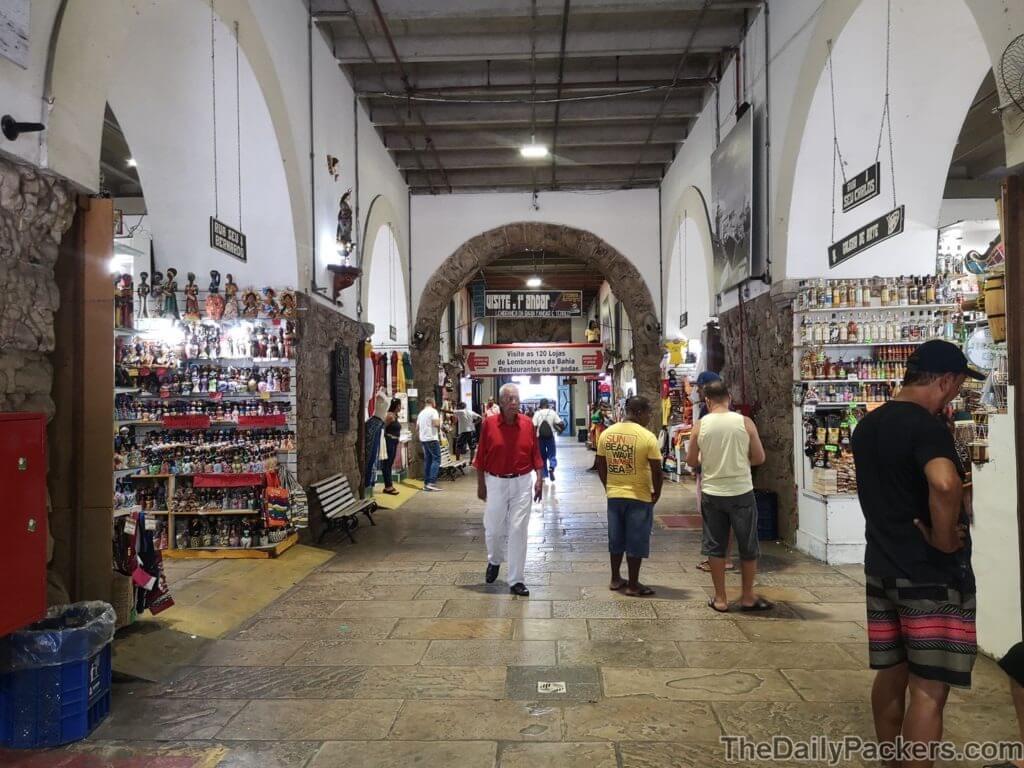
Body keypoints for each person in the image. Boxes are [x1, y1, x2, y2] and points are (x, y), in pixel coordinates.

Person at [850, 339, 982, 767]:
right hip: (928, 574)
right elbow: (943, 483)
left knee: (892, 673)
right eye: (958, 386)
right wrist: (944, 537)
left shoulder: (867, 425)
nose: (955, 395)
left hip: (882, 567)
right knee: (929, 688)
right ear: (945, 380)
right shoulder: (925, 427)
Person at [685, 380, 770, 614]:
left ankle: (721, 599)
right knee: (748, 545)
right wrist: (740, 463)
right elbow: (759, 457)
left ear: (707, 401)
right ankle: (747, 596)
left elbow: (692, 462)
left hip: (712, 493)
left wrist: (707, 461)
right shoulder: (745, 422)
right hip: (741, 491)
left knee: (715, 546)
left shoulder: (700, 426)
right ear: (729, 398)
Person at [474, 383, 543, 597]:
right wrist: (481, 484)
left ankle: (516, 580)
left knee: (518, 529)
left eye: (516, 398)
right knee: (493, 528)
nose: (514, 403)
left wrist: (539, 479)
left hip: (522, 482)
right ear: (501, 402)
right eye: (510, 399)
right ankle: (494, 560)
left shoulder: (528, 423)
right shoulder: (490, 424)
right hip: (496, 481)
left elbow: (536, 454)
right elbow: (481, 455)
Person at [596, 396, 663, 597]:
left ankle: (615, 579)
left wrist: (609, 486)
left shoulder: (607, 434)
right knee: (636, 539)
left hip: (614, 495)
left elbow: (600, 464)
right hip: (639, 496)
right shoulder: (647, 437)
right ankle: (633, 585)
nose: (649, 417)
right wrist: (656, 492)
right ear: (640, 412)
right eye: (648, 413)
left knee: (616, 538)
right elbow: (657, 470)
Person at [691, 371, 735, 573]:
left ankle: (719, 559)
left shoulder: (705, 413)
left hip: (711, 472)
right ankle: (724, 557)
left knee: (713, 518)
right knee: (728, 519)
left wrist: (696, 462)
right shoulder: (738, 418)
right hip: (732, 474)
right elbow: (757, 456)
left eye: (699, 387)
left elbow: (697, 449)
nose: (697, 391)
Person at [532, 398, 565, 482]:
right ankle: (552, 467)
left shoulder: (537, 413)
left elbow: (534, 426)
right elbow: (560, 423)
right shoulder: (552, 412)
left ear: (540, 405)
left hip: (540, 438)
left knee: (542, 456)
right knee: (552, 454)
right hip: (550, 437)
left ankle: (544, 474)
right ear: (547, 404)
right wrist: (560, 431)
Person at [417, 396, 443, 492]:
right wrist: (441, 423)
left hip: (423, 439)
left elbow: (417, 427)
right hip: (432, 438)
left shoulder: (421, 413)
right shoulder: (433, 411)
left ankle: (426, 483)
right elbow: (436, 424)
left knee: (428, 461)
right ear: (433, 403)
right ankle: (431, 483)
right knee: (436, 460)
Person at [380, 398, 402, 495]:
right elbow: (383, 427)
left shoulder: (395, 416)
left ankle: (389, 485)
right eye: (400, 405)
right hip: (389, 440)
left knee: (390, 463)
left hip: (394, 441)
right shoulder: (390, 416)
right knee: (387, 464)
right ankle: (388, 486)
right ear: (396, 406)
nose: (401, 407)